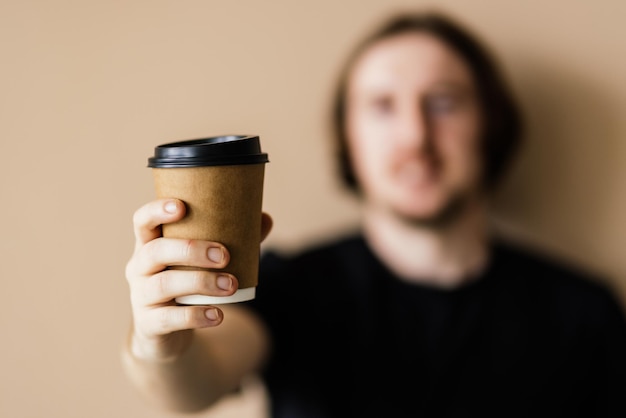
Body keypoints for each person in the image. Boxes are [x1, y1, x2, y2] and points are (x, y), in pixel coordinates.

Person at [122, 10, 626, 417]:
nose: (415, 136)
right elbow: (192, 388)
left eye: (444, 102)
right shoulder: (292, 288)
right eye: (383, 106)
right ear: (349, 139)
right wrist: (158, 342)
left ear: (490, 126)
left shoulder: (585, 312)